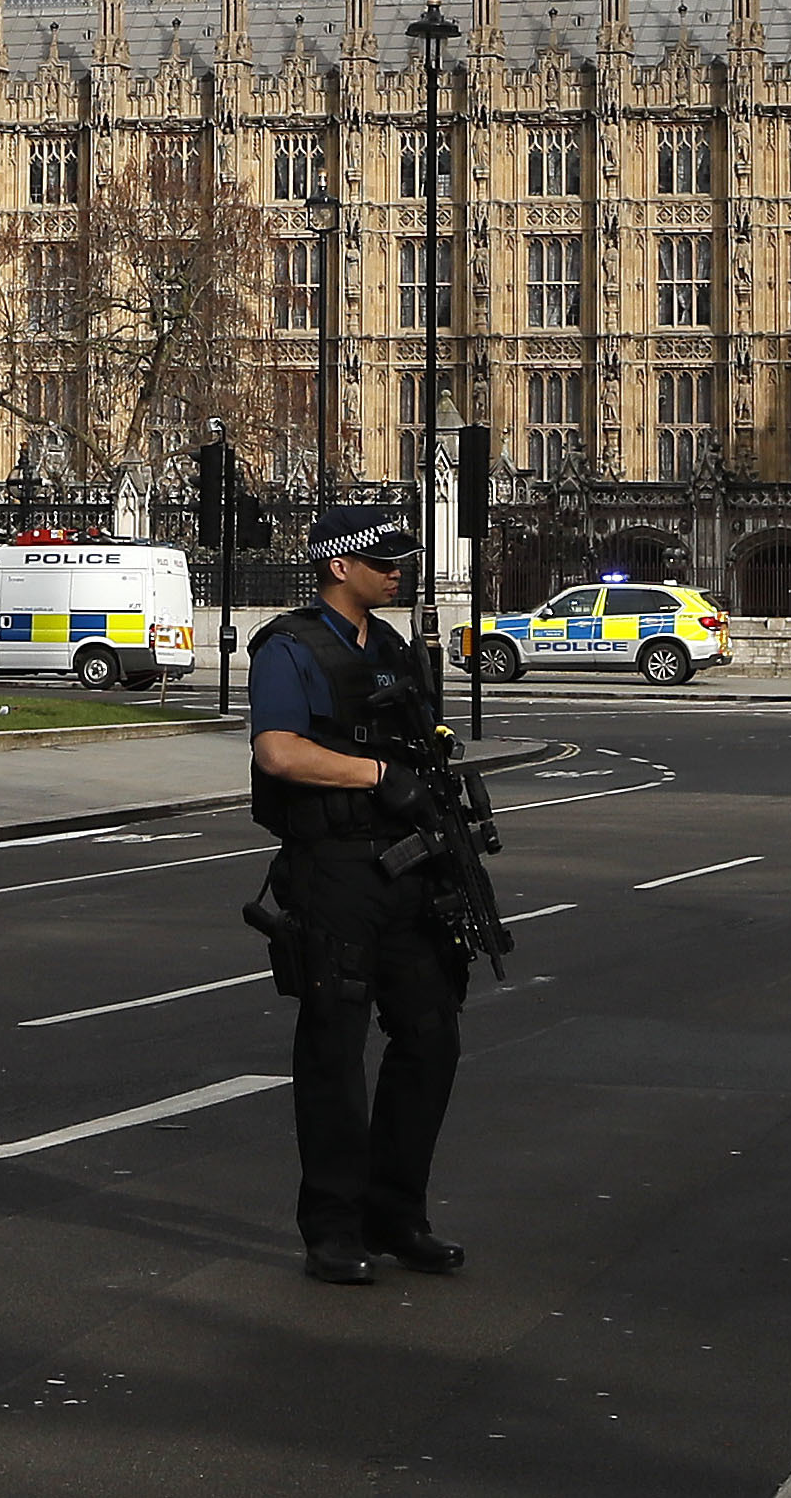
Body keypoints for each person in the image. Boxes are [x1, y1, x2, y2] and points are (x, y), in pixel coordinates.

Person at [246, 500, 468, 1288]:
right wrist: (376, 776)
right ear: (339, 566)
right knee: (335, 1051)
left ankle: (396, 1212)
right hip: (334, 869)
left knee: (430, 1036)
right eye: (383, 562)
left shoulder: (396, 649)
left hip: (410, 867)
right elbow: (277, 752)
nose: (397, 571)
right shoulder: (289, 648)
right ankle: (332, 1228)